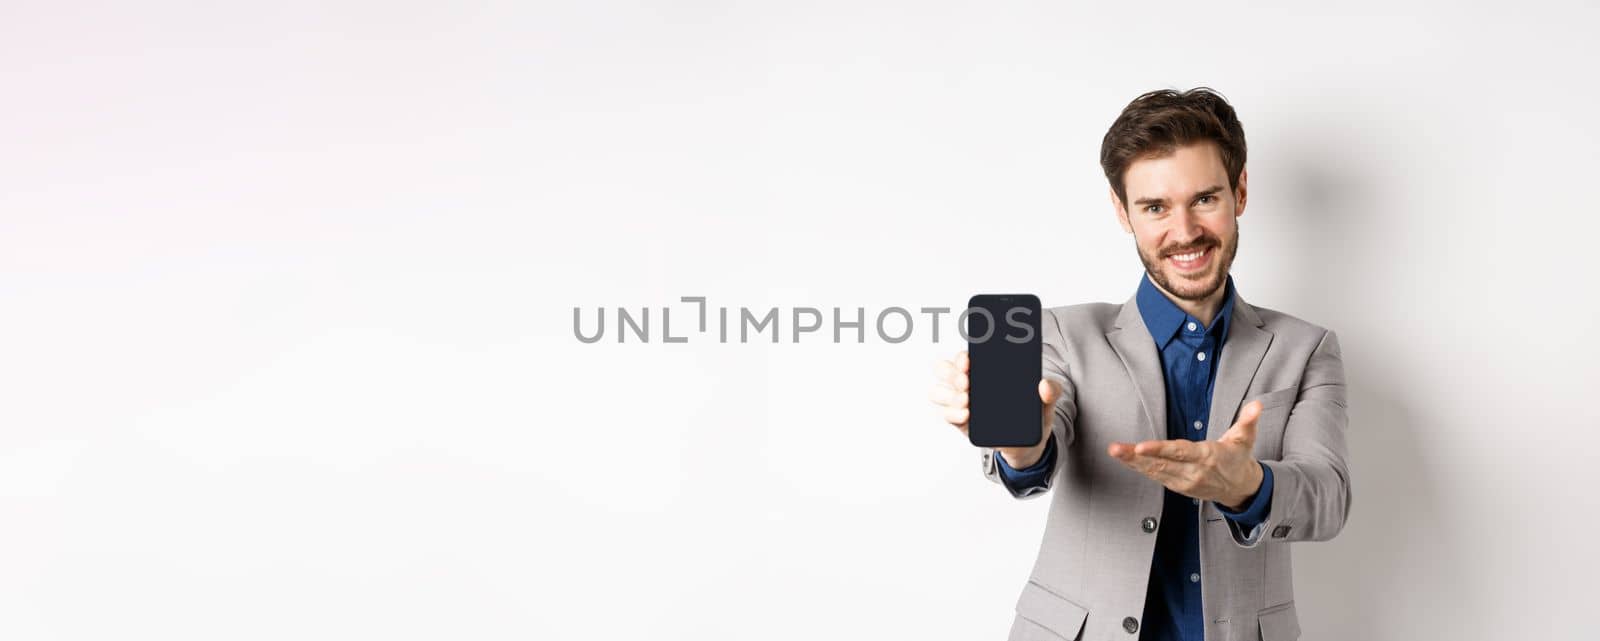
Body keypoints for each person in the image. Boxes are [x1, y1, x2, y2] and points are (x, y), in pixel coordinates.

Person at [929, 88, 1350, 641]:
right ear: (1121, 211)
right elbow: (1038, 447)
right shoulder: (1065, 334)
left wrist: (1246, 484)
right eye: (1155, 207)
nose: (1185, 231)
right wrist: (1022, 442)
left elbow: (1327, 498)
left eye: (1204, 199)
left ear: (1240, 190)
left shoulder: (1306, 348)